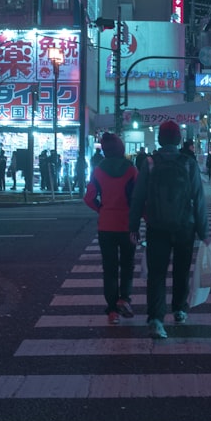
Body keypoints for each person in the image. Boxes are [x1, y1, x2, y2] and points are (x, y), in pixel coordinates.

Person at [129, 121, 209, 339]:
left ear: (160, 139)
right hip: (185, 226)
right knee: (182, 269)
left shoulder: (150, 163)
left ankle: (156, 318)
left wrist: (133, 225)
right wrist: (204, 231)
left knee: (157, 273)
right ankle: (180, 309)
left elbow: (138, 196)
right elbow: (198, 199)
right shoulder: (188, 163)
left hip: (156, 226)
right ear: (178, 139)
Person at [84, 132, 139, 325]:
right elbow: (138, 198)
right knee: (127, 265)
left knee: (109, 269)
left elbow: (89, 198)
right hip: (128, 226)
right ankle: (124, 298)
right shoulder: (131, 170)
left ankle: (112, 312)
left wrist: (102, 209)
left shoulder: (98, 170)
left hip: (106, 226)